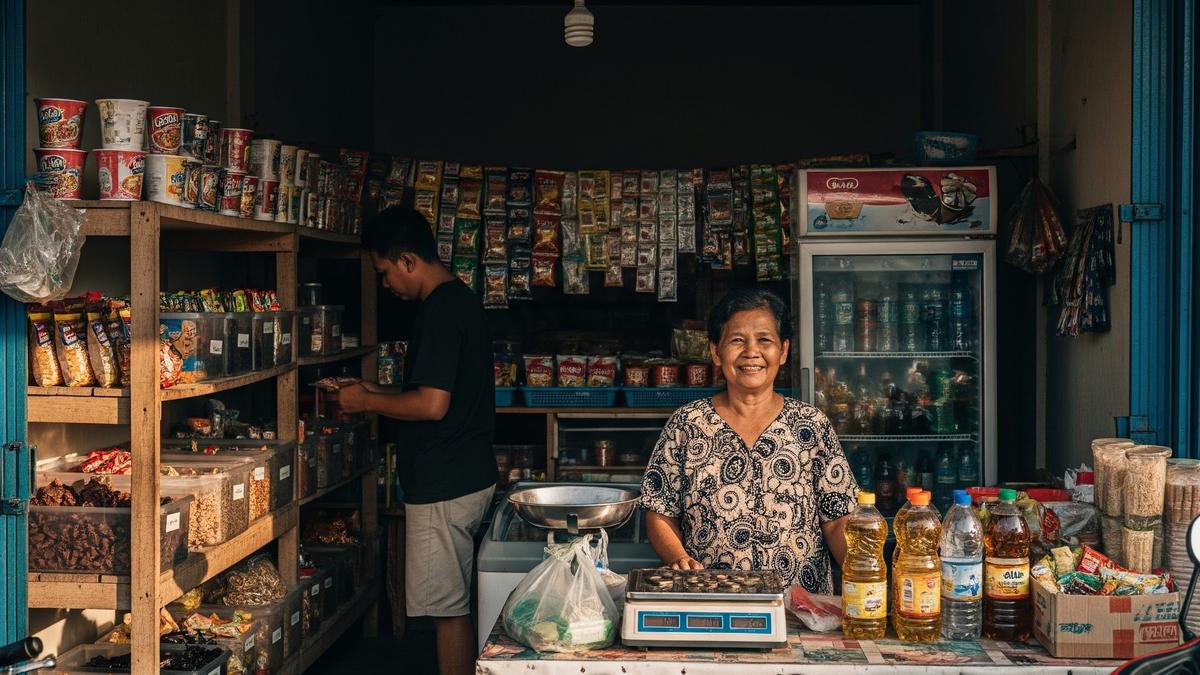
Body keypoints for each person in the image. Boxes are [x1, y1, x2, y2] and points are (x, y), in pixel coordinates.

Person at [334, 206, 496, 675]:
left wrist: (367, 404)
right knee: (455, 602)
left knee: (447, 610)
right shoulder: (458, 301)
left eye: (385, 272)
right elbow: (430, 394)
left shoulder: (440, 311)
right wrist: (369, 392)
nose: (386, 285)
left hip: (444, 485)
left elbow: (431, 405)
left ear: (407, 260)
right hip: (465, 474)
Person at [640, 287, 858, 592]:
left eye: (764, 340)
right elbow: (659, 512)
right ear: (716, 351)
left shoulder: (811, 426)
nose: (751, 352)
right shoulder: (687, 425)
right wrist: (679, 557)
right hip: (712, 602)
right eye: (737, 340)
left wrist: (865, 576)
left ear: (783, 351)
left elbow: (837, 520)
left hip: (802, 611)